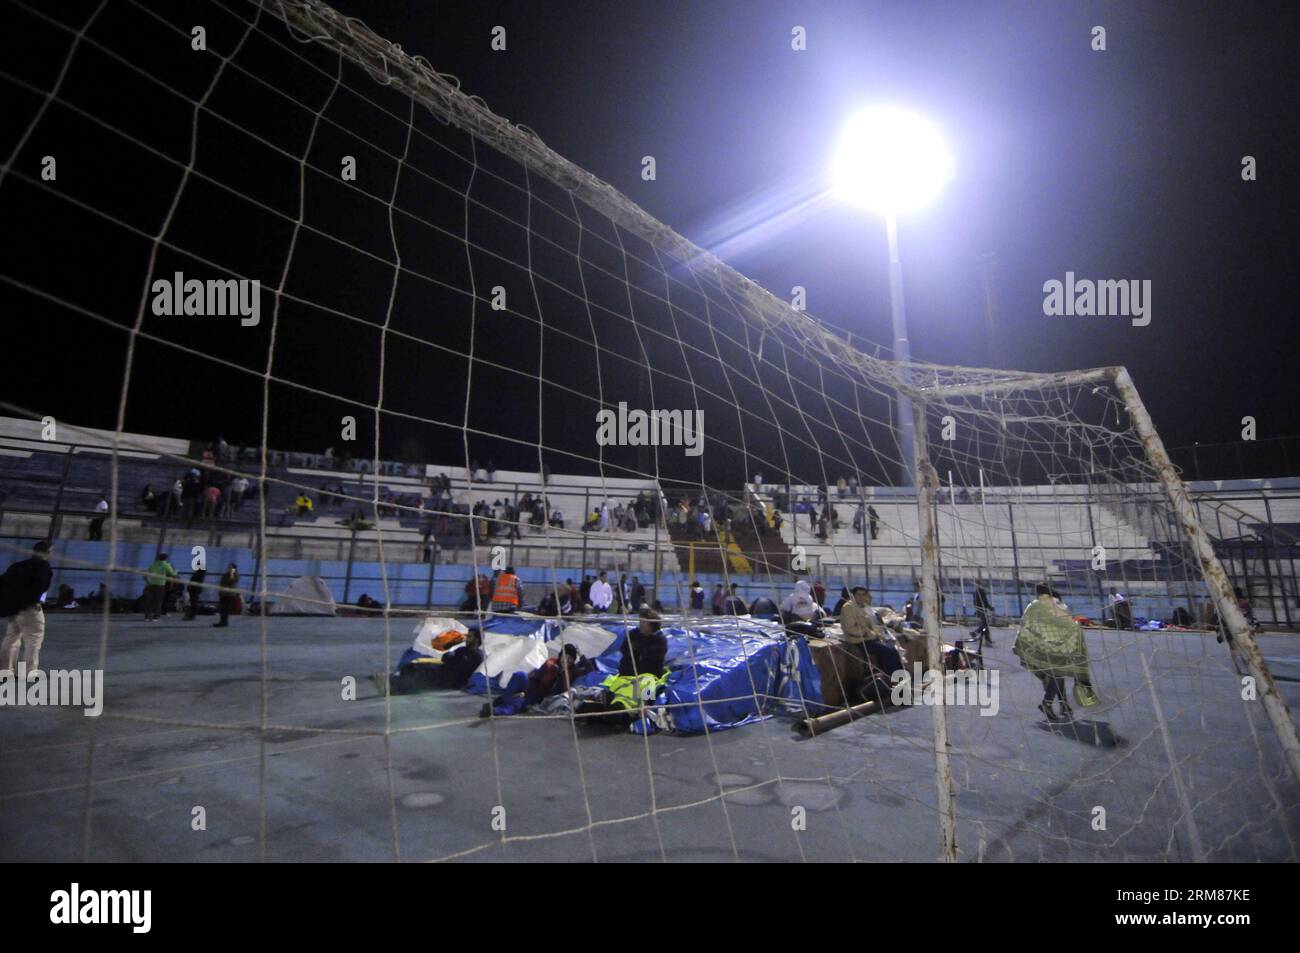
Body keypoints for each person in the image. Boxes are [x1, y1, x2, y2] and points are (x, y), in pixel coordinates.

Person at [1013, 583, 1097, 722]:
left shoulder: (1033, 605)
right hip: (1043, 649)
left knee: (1056, 675)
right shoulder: (1049, 607)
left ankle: (1063, 704)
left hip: (1030, 648)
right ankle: (1047, 704)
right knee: (1056, 675)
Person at [0, 540, 54, 675]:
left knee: (11, 639)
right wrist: (33, 602)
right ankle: (30, 671)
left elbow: (3, 584)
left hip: (14, 610)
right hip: (30, 609)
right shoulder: (43, 567)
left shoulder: (17, 566)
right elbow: (41, 588)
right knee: (34, 640)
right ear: (47, 552)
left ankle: (5, 671)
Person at [839, 586, 902, 676]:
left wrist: (877, 633)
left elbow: (871, 624)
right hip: (859, 640)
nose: (861, 597)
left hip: (869, 637)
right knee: (888, 652)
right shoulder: (848, 608)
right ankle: (893, 677)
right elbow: (850, 628)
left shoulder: (863, 606)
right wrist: (867, 633)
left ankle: (897, 675)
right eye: (858, 595)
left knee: (893, 648)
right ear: (853, 596)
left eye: (863, 595)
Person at [619, 607, 668, 678]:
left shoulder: (659, 639)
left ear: (652, 624)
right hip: (628, 674)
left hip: (650, 675)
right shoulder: (633, 634)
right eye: (640, 622)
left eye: (644, 622)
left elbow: (652, 656)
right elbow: (624, 649)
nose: (641, 624)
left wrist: (639, 648)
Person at [142, 552, 178, 621]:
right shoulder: (166, 565)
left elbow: (146, 575)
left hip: (152, 584)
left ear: (159, 557)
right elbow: (172, 574)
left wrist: (148, 582)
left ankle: (147, 617)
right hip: (160, 585)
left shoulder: (153, 564)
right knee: (158, 601)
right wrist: (176, 571)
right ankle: (156, 617)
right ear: (166, 558)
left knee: (149, 601)